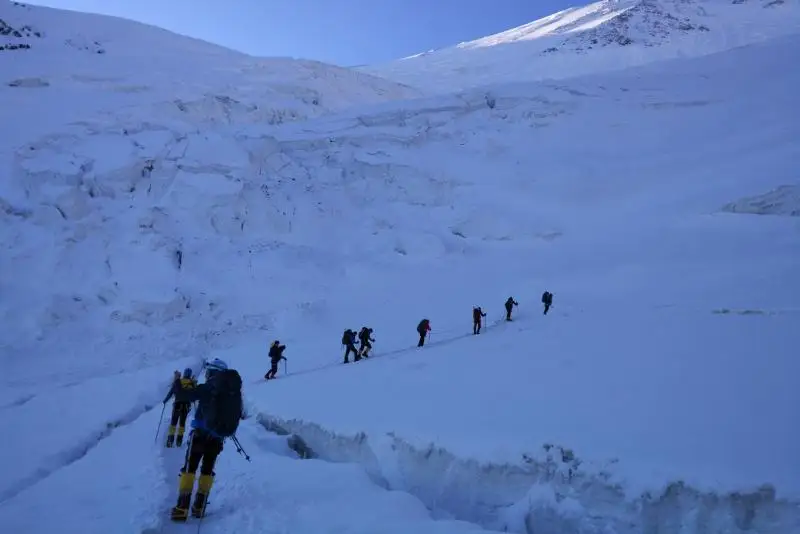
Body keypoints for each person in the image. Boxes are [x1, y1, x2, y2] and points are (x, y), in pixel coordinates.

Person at [170, 358, 243, 522]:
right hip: (217, 439)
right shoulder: (233, 392)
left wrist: (176, 381)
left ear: (212, 372)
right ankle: (199, 507)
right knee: (207, 471)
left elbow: (182, 395)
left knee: (189, 469)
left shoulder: (207, 388)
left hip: (199, 436)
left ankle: (182, 508)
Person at [163, 368, 197, 448]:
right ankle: (179, 441)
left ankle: (170, 440)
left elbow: (171, 392)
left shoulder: (179, 382)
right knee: (182, 424)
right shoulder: (192, 384)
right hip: (185, 407)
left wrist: (165, 401)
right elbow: (194, 396)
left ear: (184, 373)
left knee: (173, 423)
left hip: (177, 405)